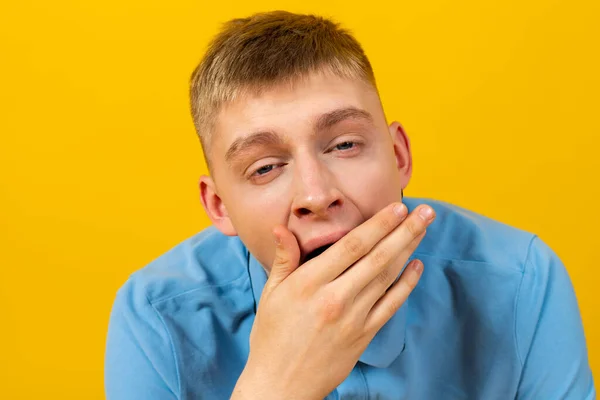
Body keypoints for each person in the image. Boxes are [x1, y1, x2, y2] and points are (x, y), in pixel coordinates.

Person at [104, 10, 595, 399]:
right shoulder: (155, 319)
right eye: (265, 167)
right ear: (219, 207)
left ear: (399, 156)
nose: (317, 196)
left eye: (344, 145)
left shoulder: (523, 280)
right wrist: (275, 387)